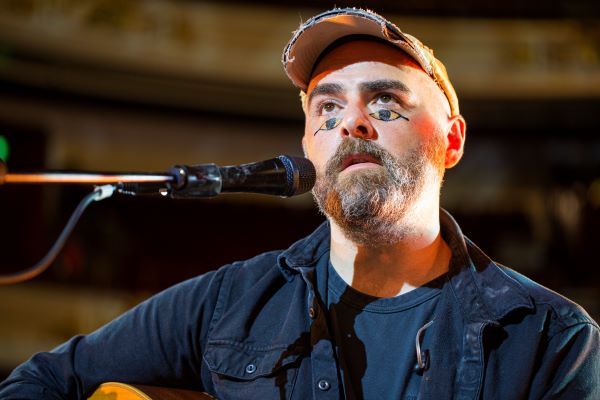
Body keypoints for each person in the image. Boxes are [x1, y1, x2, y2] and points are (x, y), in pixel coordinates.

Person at [1, 8, 598, 400]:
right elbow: (43, 382)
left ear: (452, 140)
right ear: (309, 143)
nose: (352, 124)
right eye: (327, 110)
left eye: (386, 105)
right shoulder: (228, 304)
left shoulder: (551, 338)